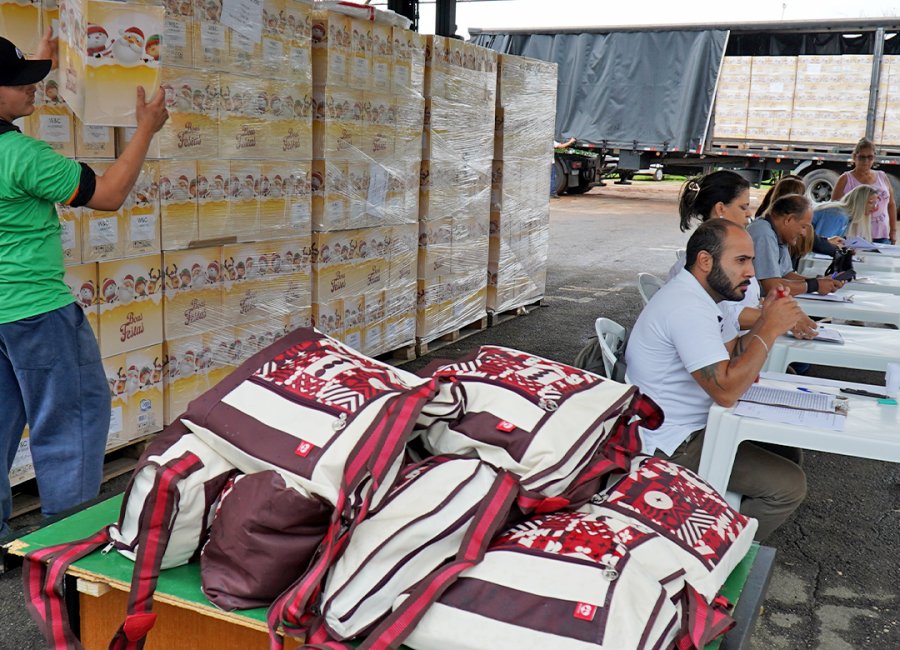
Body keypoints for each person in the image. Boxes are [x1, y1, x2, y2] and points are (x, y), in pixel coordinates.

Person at [0, 33, 169, 537]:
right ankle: (66, 546)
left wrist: (47, 62)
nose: (33, 89)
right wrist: (146, 129)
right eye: (20, 82)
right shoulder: (23, 157)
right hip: (37, 311)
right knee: (70, 425)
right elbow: (110, 194)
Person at [626, 219, 807, 541]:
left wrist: (767, 320)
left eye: (750, 260)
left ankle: (718, 523)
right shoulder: (687, 307)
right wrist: (768, 328)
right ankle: (712, 555)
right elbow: (725, 391)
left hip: (695, 424)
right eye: (741, 260)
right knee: (789, 486)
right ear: (705, 261)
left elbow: (729, 354)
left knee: (786, 448)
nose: (751, 272)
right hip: (672, 443)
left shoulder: (705, 298)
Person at [673, 171, 817, 338]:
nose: (749, 213)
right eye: (743, 207)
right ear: (720, 209)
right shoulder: (708, 260)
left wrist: (769, 307)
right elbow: (727, 315)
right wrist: (778, 318)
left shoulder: (720, 251)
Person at [746, 194, 845, 298]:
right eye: (803, 227)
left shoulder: (778, 234)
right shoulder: (763, 233)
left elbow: (786, 275)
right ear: (788, 219)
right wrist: (814, 285)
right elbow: (772, 286)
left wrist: (819, 282)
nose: (804, 234)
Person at [832, 137, 897, 245]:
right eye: (862, 157)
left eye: (870, 157)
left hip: (881, 236)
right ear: (854, 157)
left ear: (874, 158)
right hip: (855, 237)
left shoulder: (882, 176)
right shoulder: (845, 179)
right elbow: (835, 209)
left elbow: (891, 204)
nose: (866, 161)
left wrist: (893, 231)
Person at [813, 184, 879, 241]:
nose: (874, 207)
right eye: (870, 202)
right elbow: (823, 243)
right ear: (859, 202)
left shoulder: (844, 215)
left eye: (875, 203)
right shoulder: (837, 215)